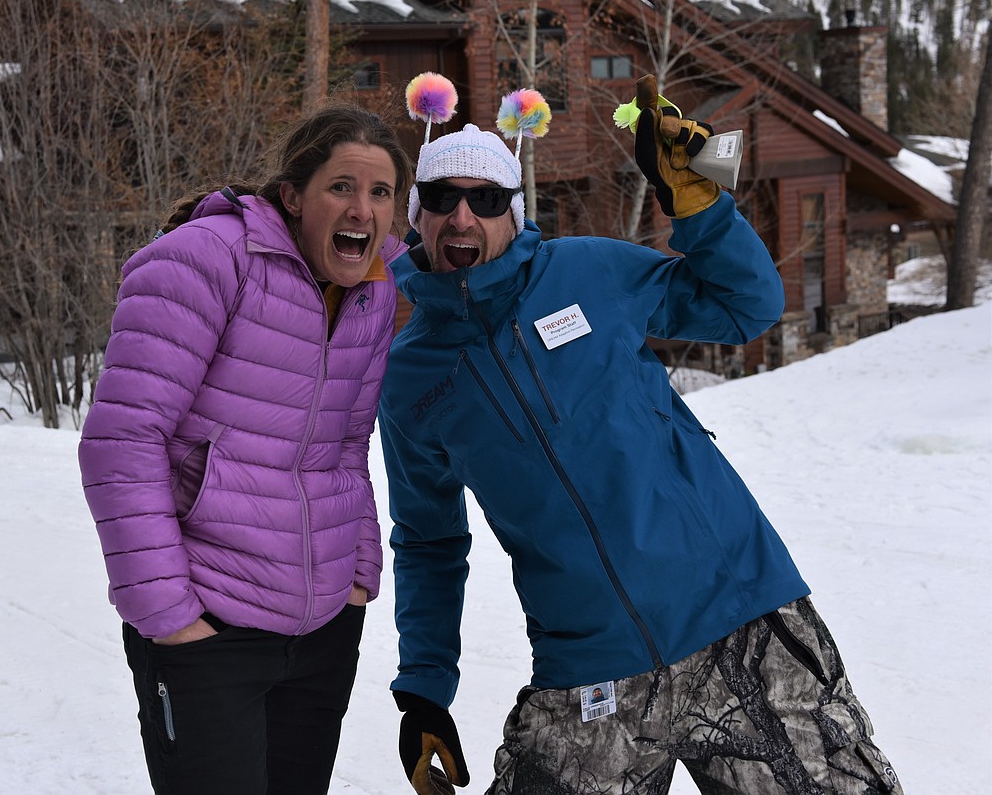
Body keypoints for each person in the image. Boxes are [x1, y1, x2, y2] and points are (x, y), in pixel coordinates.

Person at [378, 92, 902, 794]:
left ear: (514, 211)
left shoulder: (589, 272)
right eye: (442, 197)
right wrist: (424, 687)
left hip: (739, 616)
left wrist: (702, 210)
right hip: (590, 664)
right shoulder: (412, 377)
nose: (463, 215)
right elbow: (428, 543)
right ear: (418, 217)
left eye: (486, 197)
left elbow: (746, 307)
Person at [78, 103, 411, 795]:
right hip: (210, 626)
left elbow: (347, 444)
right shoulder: (203, 262)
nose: (363, 208)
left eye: (381, 193)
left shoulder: (374, 288)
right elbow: (122, 443)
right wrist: (169, 617)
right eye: (341, 187)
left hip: (321, 630)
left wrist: (356, 576)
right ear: (293, 196)